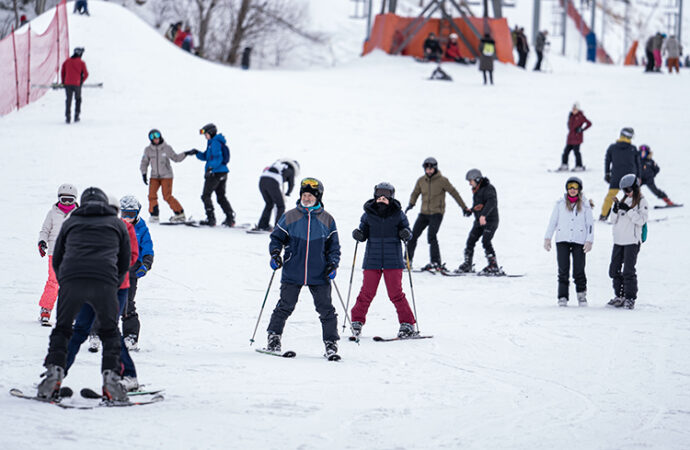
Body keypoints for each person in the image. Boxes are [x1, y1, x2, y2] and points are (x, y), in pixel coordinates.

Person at [35, 187, 130, 402]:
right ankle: (112, 382)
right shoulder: (116, 224)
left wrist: (66, 281)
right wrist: (112, 283)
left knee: (63, 329)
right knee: (110, 332)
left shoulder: (70, 222)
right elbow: (124, 261)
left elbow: (57, 255)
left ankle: (54, 375)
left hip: (72, 281)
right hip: (105, 281)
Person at [64, 195, 141, 392]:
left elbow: (132, 257)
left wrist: (110, 268)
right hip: (94, 286)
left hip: (116, 287)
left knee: (109, 330)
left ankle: (128, 376)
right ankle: (57, 373)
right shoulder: (93, 228)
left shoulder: (125, 228)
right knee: (81, 328)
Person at [265, 178, 341, 359]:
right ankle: (273, 337)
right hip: (293, 269)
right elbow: (276, 238)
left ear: (318, 197)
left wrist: (332, 263)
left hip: (319, 272)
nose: (306, 198)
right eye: (304, 195)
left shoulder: (327, 219)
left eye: (310, 195)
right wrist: (275, 253)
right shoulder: (290, 216)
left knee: (326, 309)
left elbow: (334, 247)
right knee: (285, 306)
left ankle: (331, 343)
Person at [350, 183, 416, 338]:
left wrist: (405, 233)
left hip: (393, 261)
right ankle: (356, 321)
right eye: (379, 194)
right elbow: (364, 233)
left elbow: (408, 232)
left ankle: (407, 323)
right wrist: (359, 234)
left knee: (396, 293)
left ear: (391, 197)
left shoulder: (398, 214)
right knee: (366, 292)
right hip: (372, 260)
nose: (382, 198)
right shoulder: (368, 214)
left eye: (386, 195)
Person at [405, 157, 470, 271]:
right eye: (426, 168)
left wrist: (464, 207)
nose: (428, 171)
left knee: (431, 236)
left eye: (431, 168)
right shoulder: (421, 180)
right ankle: (406, 260)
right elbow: (415, 193)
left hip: (437, 213)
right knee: (413, 235)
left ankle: (436, 262)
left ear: (435, 168)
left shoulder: (442, 181)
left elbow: (454, 193)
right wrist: (411, 203)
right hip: (424, 213)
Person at [543, 177, 594, 307]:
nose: (572, 190)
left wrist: (589, 240)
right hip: (562, 240)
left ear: (579, 189)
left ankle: (581, 295)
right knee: (563, 270)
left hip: (579, 240)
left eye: (575, 187)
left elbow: (590, 225)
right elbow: (553, 222)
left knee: (579, 270)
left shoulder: (585, 205)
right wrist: (547, 238)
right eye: (570, 187)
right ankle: (562, 297)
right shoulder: (560, 204)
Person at [38, 184, 78, 325]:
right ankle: (46, 309)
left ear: (75, 200)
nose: (66, 203)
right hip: (54, 253)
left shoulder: (79, 214)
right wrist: (42, 242)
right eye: (63, 200)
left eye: (70, 200)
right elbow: (45, 230)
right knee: (53, 282)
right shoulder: (52, 213)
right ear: (58, 199)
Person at [607, 174, 649, 310]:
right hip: (619, 240)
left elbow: (641, 220)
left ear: (636, 188)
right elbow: (613, 221)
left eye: (629, 189)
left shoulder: (642, 202)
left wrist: (629, 210)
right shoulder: (623, 200)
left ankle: (630, 297)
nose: (627, 192)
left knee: (628, 271)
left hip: (632, 241)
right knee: (614, 270)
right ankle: (619, 295)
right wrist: (615, 210)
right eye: (624, 190)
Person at [119, 196, 154, 351]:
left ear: (137, 213)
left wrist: (145, 265)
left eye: (131, 214)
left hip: (132, 271)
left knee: (127, 304)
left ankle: (130, 336)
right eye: (124, 214)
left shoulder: (142, 229)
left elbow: (148, 250)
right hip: (114, 270)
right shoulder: (116, 226)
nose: (127, 218)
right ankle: (98, 333)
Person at [184, 123, 235, 227]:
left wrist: (211, 168)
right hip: (222, 172)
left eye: (206, 133)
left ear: (211, 132)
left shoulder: (215, 142)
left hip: (215, 173)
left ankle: (211, 219)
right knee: (221, 197)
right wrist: (196, 152)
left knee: (205, 196)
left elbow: (218, 158)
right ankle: (230, 218)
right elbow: (206, 157)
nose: (205, 136)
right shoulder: (212, 142)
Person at [457, 169, 500, 274]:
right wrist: (470, 210)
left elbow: (491, 202)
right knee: (470, 240)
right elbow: (479, 205)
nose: (469, 183)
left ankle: (493, 265)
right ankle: (468, 264)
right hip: (479, 221)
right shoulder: (476, 190)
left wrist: (484, 215)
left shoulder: (489, 189)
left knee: (486, 241)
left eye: (470, 181)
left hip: (490, 221)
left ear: (477, 179)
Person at [140, 129, 187, 223]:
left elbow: (176, 158)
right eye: (152, 137)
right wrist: (144, 174)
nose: (155, 139)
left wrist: (186, 153)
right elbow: (144, 162)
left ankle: (179, 213)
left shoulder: (166, 148)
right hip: (154, 176)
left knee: (167, 196)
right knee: (151, 195)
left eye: (157, 136)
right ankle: (154, 215)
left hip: (167, 176)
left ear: (160, 136)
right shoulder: (148, 150)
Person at [600, 127, 641, 221]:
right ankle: (637, 215)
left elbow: (607, 161)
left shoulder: (612, 147)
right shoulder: (633, 149)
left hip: (616, 177)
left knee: (610, 196)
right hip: (630, 178)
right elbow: (638, 164)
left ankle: (603, 215)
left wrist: (607, 173)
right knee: (634, 196)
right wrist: (639, 177)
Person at [254, 159, 300, 232]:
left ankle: (262, 225)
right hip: (273, 183)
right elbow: (291, 184)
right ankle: (278, 228)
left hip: (262, 180)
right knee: (281, 206)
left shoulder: (278, 164)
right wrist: (288, 192)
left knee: (269, 204)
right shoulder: (291, 170)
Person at [558, 102, 592, 171]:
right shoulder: (570, 116)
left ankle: (579, 166)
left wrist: (582, 129)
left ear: (578, 109)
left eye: (575, 109)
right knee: (566, 152)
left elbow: (589, 123)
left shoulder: (581, 116)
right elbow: (569, 125)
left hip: (577, 138)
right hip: (570, 138)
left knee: (576, 152)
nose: (573, 110)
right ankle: (564, 165)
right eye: (573, 109)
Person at [61, 47, 88, 124]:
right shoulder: (82, 63)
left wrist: (63, 82)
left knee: (68, 100)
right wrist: (81, 81)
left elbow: (63, 72)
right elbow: (86, 74)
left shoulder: (67, 61)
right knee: (78, 99)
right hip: (77, 84)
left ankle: (68, 117)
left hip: (67, 84)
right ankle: (76, 115)